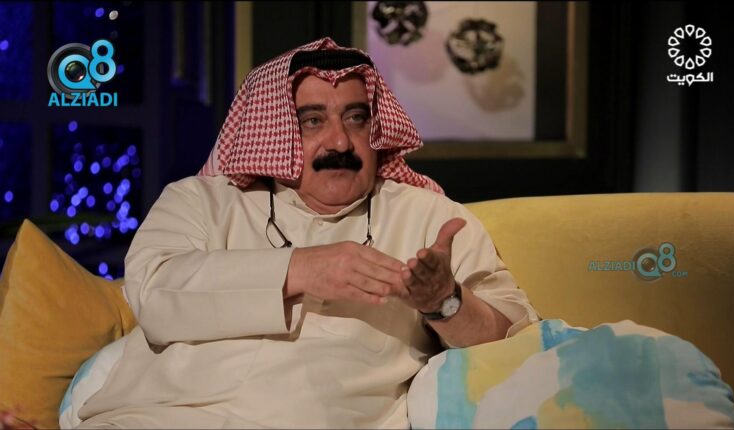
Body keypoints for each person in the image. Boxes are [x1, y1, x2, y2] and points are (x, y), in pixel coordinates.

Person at [77, 38, 538, 429]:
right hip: (153, 417)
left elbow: (513, 340)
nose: (340, 142)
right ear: (270, 129)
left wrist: (444, 301)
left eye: (356, 118)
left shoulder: (428, 218)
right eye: (312, 120)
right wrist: (299, 270)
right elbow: (152, 293)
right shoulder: (201, 201)